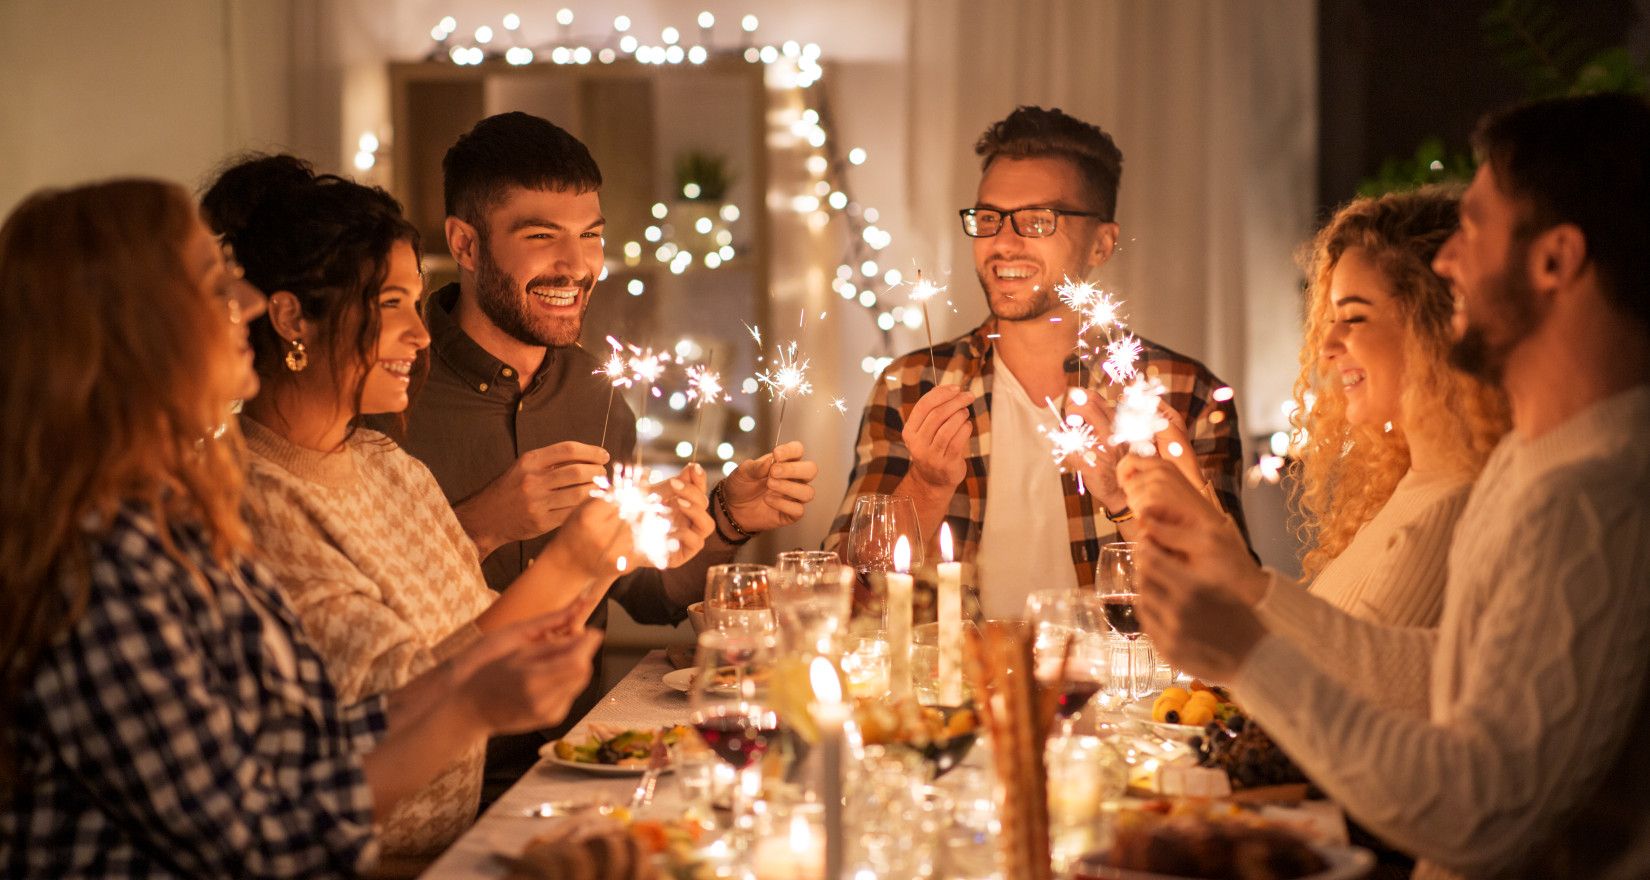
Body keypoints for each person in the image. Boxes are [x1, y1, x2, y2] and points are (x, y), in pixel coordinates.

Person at [0, 179, 601, 878]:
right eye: (211, 280)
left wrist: (486, 664)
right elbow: (246, 840)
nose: (247, 302)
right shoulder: (106, 560)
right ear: (126, 326)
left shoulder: (173, 518)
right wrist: (469, 706)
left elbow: (310, 743)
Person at [1120, 93, 1650, 878]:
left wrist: (1245, 659)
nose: (1447, 262)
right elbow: (1439, 679)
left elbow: (1481, 814)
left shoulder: (1595, 497)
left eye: (1473, 227)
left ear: (1555, 259)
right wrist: (1252, 591)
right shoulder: (1532, 462)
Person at [200, 155, 686, 861]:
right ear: (290, 318)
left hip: (468, 840)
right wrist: (574, 559)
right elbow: (396, 706)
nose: (420, 333)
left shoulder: (387, 465)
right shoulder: (250, 498)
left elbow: (489, 636)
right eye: (391, 302)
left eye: (414, 300)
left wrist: (610, 554)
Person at [380, 112, 819, 797]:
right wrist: (486, 520)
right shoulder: (392, 387)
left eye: (591, 236)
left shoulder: (597, 393)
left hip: (578, 765)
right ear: (466, 245)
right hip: (425, 779)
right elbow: (363, 620)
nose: (579, 266)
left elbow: (643, 594)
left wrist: (726, 518)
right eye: (541, 237)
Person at [824, 105, 1246, 618]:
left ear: (1101, 243)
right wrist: (927, 486)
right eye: (988, 218)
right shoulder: (911, 385)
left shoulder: (1180, 395)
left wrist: (1127, 501)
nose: (1002, 242)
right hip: (954, 693)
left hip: (1127, 698)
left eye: (1037, 221)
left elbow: (1229, 608)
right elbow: (843, 595)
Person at [1234, 187, 1509, 718]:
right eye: (1330, 318)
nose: (1327, 344)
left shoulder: (1455, 509)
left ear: (1436, 328)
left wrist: (1235, 581)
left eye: (1354, 317)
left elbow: (1338, 703)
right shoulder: (1409, 490)